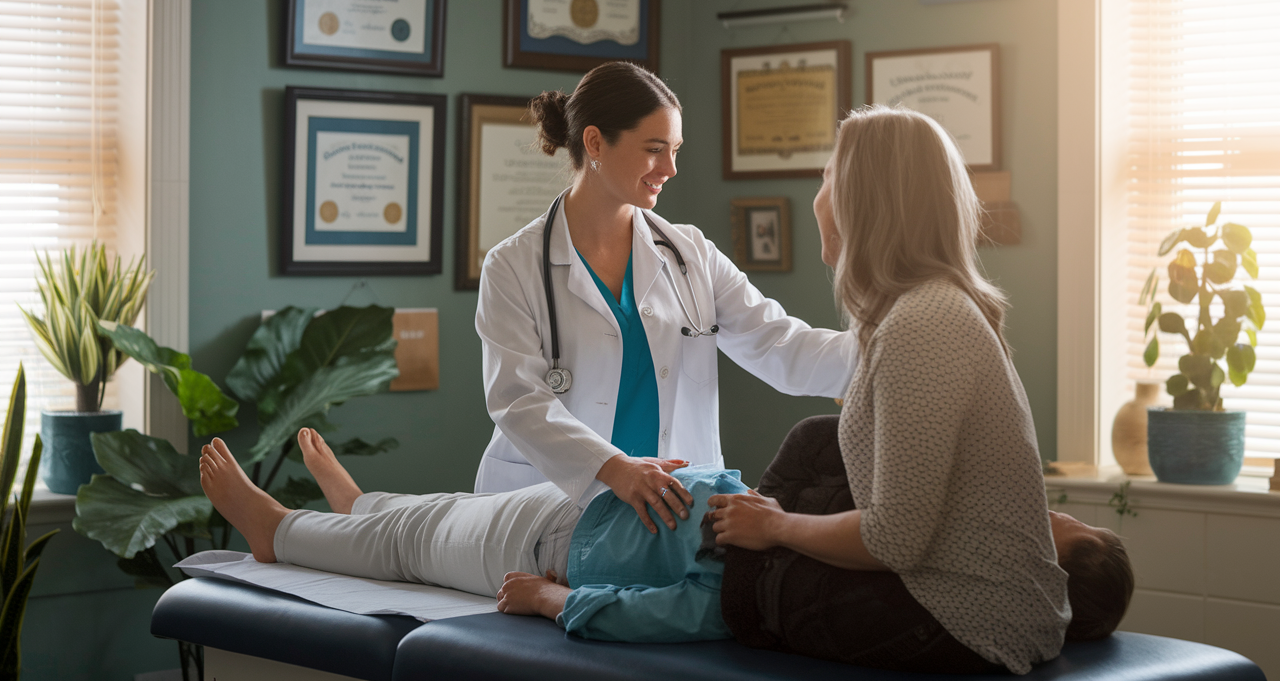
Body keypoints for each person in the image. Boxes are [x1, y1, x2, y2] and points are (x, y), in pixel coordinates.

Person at [705, 105, 1134, 674]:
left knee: (742, 582)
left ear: (864, 201)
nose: (819, 195)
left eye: (829, 177)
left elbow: (892, 541)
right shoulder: (918, 313)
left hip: (959, 626)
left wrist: (777, 526)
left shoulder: (926, 320)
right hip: (966, 609)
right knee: (815, 446)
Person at [199, 425, 1130, 651]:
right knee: (432, 514)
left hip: (573, 552)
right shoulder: (890, 543)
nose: (1046, 514)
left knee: (425, 540)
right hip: (611, 506)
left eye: (1067, 527)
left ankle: (282, 533)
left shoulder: (819, 580)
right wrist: (713, 492)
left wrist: (555, 600)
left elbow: (679, 613)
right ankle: (354, 509)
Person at [474, 61, 855, 534]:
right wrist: (614, 469)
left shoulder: (690, 253)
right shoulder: (513, 266)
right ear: (594, 143)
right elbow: (519, 401)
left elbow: (778, 342)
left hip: (671, 507)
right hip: (550, 507)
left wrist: (888, 347)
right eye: (655, 150)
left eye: (674, 151)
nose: (670, 169)